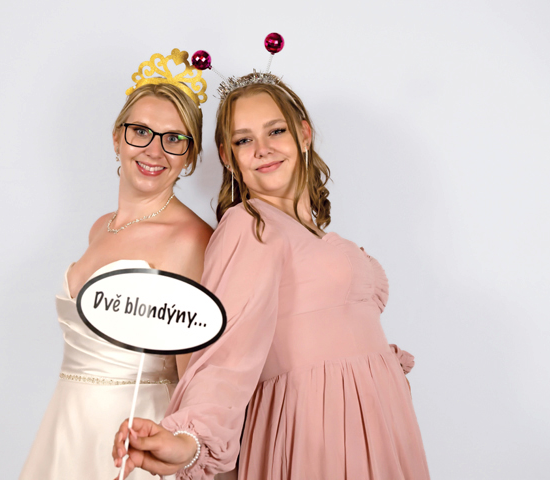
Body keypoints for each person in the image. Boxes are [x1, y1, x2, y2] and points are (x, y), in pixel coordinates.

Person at [112, 73, 430, 479]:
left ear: (304, 134)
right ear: (228, 157)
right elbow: (225, 353)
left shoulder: (314, 236)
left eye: (275, 131)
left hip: (379, 427)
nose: (262, 149)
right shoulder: (250, 226)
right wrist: (189, 440)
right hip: (316, 432)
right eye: (244, 140)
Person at [20, 49, 213, 480]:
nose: (154, 150)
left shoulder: (191, 240)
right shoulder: (100, 227)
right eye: (140, 131)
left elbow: (197, 384)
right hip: (67, 422)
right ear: (116, 138)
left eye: (174, 138)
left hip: (136, 436)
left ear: (189, 155)